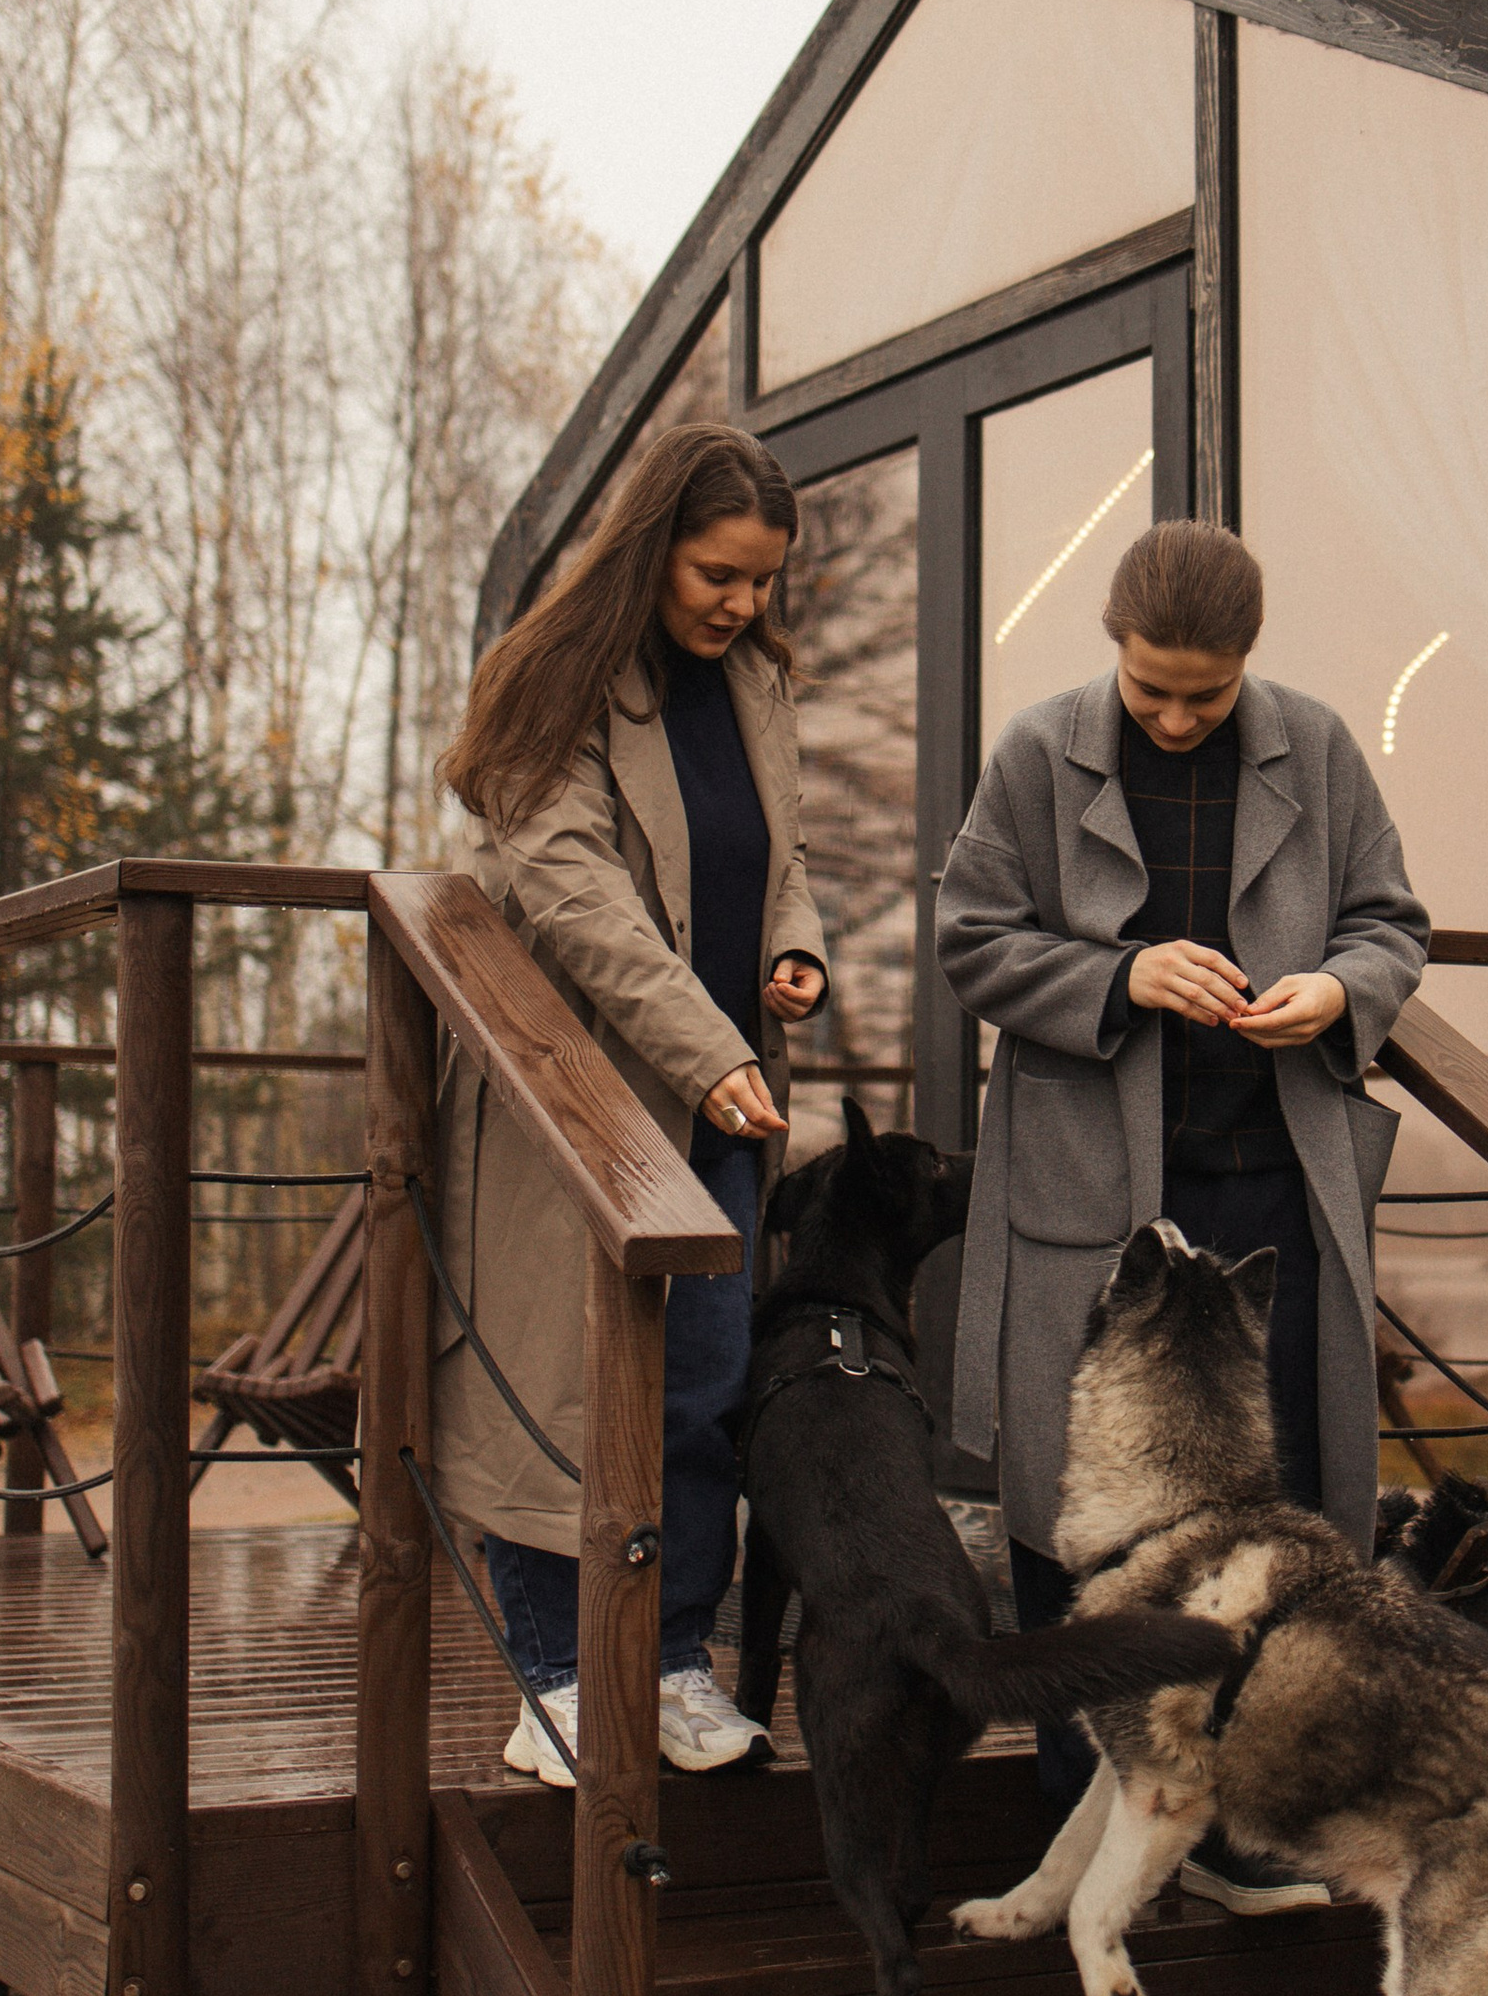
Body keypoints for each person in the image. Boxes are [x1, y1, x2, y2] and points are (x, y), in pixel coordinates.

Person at [935, 517, 1427, 1906]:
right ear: (1115, 644)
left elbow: (1393, 920)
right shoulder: (1039, 749)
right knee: (1077, 1517)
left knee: (1265, 1520)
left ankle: (1229, 1828)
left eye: (1202, 695)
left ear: (1247, 666)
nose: (1172, 712)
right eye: (1151, 685)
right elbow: (970, 935)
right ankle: (1065, 1838)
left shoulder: (1319, 745)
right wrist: (1122, 979)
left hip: (1272, 1181)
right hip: (1092, 1200)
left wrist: (1340, 992)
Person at [433, 423, 829, 1781]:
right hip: (581, 1089)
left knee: (705, 1381)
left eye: (764, 579)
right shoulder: (556, 681)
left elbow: (779, 855)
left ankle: (668, 1665)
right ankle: (552, 1681)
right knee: (566, 1381)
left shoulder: (757, 686)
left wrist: (796, 946)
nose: (744, 602)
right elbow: (574, 892)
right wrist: (709, 1044)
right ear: (653, 549)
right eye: (721, 573)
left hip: (719, 1097)